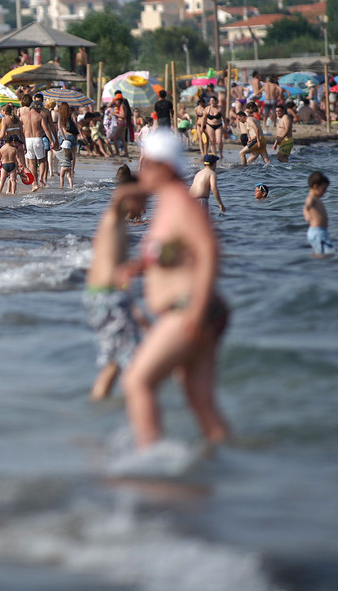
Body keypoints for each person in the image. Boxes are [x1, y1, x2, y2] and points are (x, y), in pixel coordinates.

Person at [122, 130, 230, 449]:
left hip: (189, 308)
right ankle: (225, 466)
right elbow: (172, 252)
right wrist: (137, 267)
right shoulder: (166, 205)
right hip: (193, 309)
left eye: (147, 165)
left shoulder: (181, 204)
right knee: (201, 402)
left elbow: (209, 251)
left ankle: (149, 459)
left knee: (137, 381)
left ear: (164, 167)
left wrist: (195, 311)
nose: (142, 173)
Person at [84, 181, 147, 401]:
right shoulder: (112, 220)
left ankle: (97, 408)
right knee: (135, 361)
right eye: (143, 201)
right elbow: (121, 194)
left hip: (102, 295)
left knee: (113, 363)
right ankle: (140, 416)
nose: (145, 206)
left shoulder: (116, 224)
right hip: (108, 296)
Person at [19, 93, 56, 190]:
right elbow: (46, 129)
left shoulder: (23, 116)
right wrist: (52, 140)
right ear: (37, 108)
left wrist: (21, 142)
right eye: (39, 109)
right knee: (42, 160)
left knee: (31, 163)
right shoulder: (39, 116)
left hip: (27, 140)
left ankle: (34, 183)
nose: (40, 110)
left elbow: (20, 130)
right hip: (37, 139)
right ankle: (41, 178)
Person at [303, 171, 336, 256]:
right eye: (324, 189)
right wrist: (307, 213)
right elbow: (307, 206)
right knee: (328, 254)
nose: (325, 192)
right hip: (317, 232)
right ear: (315, 187)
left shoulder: (316, 198)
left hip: (320, 232)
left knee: (323, 254)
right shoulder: (312, 198)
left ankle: (316, 266)